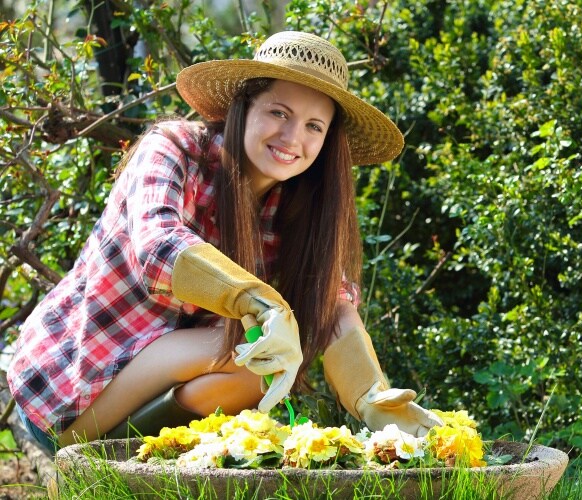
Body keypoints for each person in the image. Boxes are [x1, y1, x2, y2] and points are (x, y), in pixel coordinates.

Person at [7, 31, 443, 454]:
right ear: (244, 105)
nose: (292, 138)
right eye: (279, 112)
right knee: (257, 340)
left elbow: (334, 307)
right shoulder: (175, 148)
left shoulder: (302, 207)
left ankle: (134, 465)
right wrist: (260, 304)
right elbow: (156, 246)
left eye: (314, 125)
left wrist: (371, 397)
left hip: (153, 394)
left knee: (262, 369)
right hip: (65, 390)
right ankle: (95, 460)